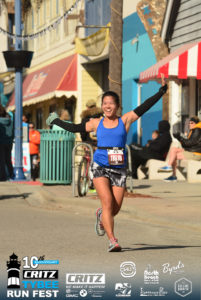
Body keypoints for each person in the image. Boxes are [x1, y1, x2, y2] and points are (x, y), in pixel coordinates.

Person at [46, 75, 167, 252]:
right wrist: (56, 121)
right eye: (105, 103)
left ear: (117, 106)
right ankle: (113, 240)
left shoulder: (124, 120)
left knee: (114, 209)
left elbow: (143, 107)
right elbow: (75, 128)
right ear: (102, 106)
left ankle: (101, 216)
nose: (107, 106)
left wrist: (160, 93)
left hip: (119, 168)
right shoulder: (96, 122)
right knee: (108, 202)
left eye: (111, 103)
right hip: (100, 165)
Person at [158, 116, 201, 182]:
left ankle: (172, 174)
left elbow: (189, 143)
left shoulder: (197, 130)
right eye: (189, 123)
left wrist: (180, 138)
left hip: (196, 154)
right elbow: (188, 144)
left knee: (174, 155)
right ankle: (171, 171)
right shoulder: (193, 130)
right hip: (192, 151)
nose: (190, 124)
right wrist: (179, 137)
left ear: (196, 123)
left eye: (192, 123)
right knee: (173, 150)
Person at [0, 105, 14, 181]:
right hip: (9, 142)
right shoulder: (10, 121)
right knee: (8, 159)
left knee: (1, 161)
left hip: (1, 142)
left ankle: (2, 177)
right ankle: (11, 174)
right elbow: (13, 132)